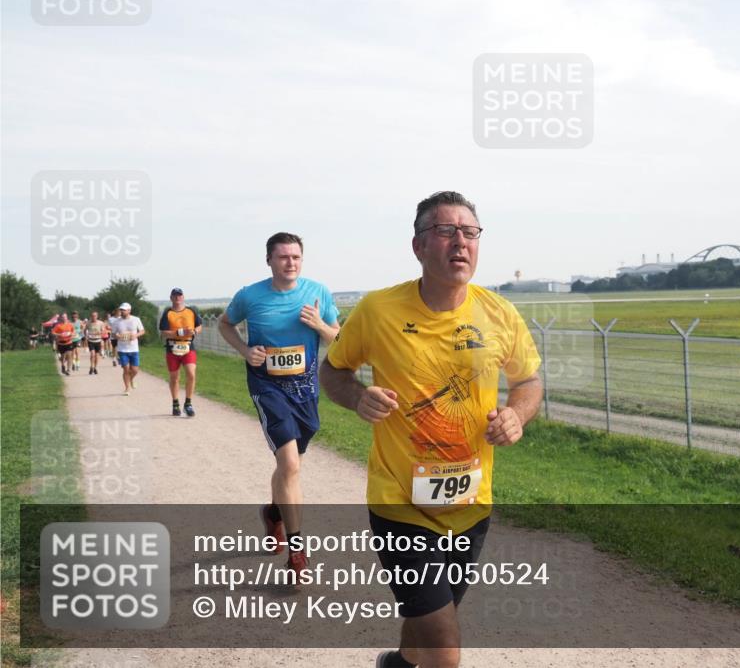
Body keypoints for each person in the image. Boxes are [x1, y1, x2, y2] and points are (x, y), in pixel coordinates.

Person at [319, 191, 542, 668]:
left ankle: (396, 664)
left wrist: (516, 415)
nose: (459, 242)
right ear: (418, 246)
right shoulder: (378, 311)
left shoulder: (500, 314)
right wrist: (358, 396)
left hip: (470, 504)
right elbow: (333, 371)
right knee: (445, 647)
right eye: (445, 231)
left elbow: (528, 381)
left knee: (429, 619)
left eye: (470, 232)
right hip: (401, 503)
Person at [218, 232, 339, 581]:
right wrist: (245, 351)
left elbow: (340, 337)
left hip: (305, 391)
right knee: (289, 463)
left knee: (291, 467)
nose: (291, 263)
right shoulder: (250, 296)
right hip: (267, 387)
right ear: (269, 260)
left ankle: (274, 514)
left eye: (296, 257)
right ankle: (297, 550)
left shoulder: (318, 293)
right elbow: (226, 324)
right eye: (284, 257)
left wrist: (319, 326)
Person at [159, 288, 203, 417]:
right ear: (171, 298)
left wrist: (194, 332)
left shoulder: (191, 311)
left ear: (183, 297)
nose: (177, 297)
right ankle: (175, 403)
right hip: (172, 348)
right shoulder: (168, 313)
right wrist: (180, 332)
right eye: (175, 295)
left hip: (188, 347)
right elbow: (163, 332)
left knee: (191, 374)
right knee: (174, 377)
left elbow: (199, 326)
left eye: (179, 295)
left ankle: (188, 403)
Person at [112, 303, 145, 395]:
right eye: (121, 310)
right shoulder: (116, 321)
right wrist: (117, 336)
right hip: (122, 349)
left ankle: (131, 380)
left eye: (124, 310)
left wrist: (136, 335)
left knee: (135, 370)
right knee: (126, 369)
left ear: (129, 310)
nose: (122, 311)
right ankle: (127, 388)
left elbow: (142, 331)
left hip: (134, 348)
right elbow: (113, 334)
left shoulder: (136, 319)